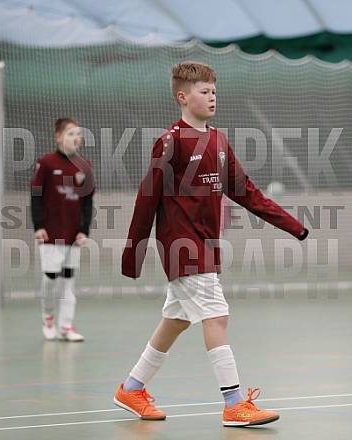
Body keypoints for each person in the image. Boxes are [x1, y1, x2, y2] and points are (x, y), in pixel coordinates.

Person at [114, 62, 308, 426]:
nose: (212, 97)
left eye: (214, 91)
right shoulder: (170, 142)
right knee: (216, 315)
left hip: (206, 245)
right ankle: (234, 403)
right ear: (182, 97)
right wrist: (132, 255)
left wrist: (292, 225)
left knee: (176, 320)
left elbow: (246, 191)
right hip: (181, 246)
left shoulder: (218, 140)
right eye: (204, 92)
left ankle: (131, 388)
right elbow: (146, 199)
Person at [31, 117, 95, 342]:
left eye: (78, 134)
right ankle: (48, 316)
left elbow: (87, 202)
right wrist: (38, 226)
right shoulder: (46, 163)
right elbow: (36, 196)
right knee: (51, 278)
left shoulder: (84, 166)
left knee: (68, 279)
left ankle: (66, 325)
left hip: (73, 235)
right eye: (70, 133)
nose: (76, 138)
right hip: (50, 233)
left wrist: (84, 230)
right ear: (58, 137)